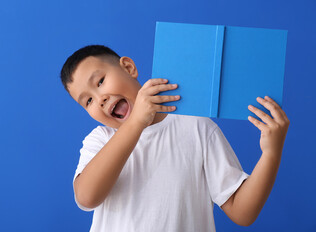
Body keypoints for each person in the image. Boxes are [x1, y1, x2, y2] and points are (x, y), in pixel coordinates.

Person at [60, 45, 290, 232]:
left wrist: (271, 153)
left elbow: (243, 212)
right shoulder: (100, 140)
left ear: (128, 67)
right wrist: (137, 121)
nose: (99, 98)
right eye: (87, 101)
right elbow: (87, 197)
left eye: (100, 82)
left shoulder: (197, 127)